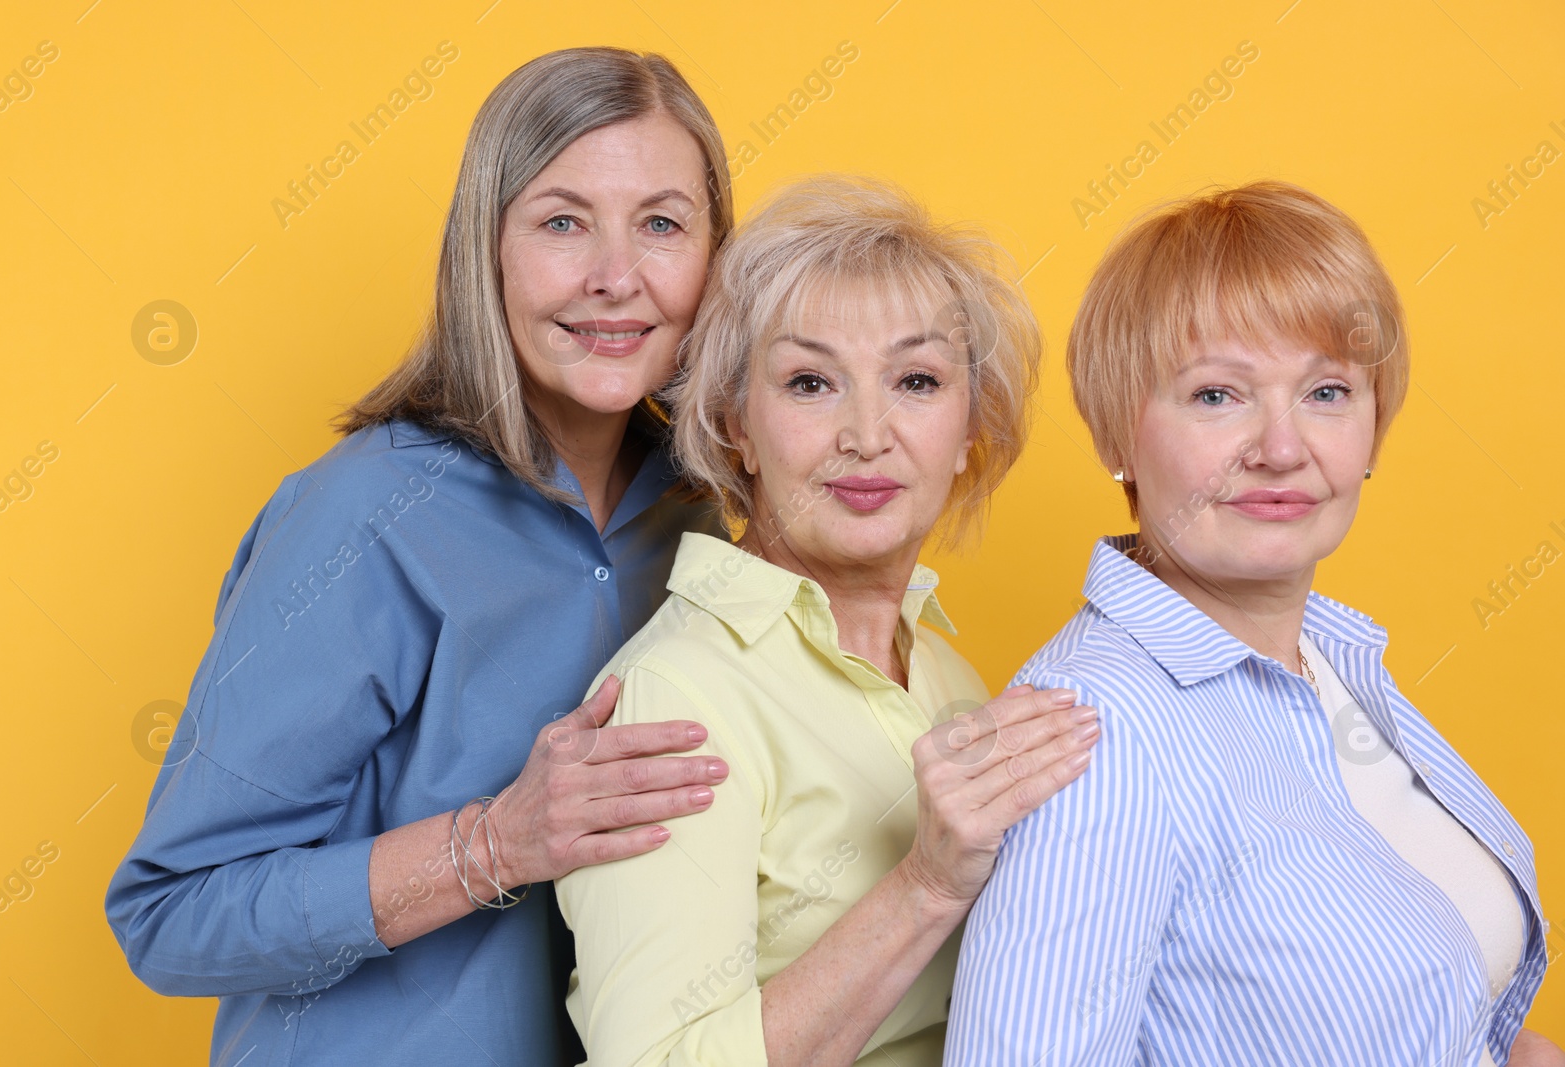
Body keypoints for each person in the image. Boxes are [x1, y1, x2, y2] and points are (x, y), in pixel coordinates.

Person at [105, 47, 741, 1066]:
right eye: (562, 221)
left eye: (662, 223)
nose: (616, 277)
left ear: (717, 256)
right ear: (482, 251)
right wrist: (494, 842)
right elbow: (173, 914)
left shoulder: (703, 516)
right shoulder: (359, 516)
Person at [944, 181, 1561, 1066]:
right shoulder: (1096, 730)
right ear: (1117, 430)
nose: (1280, 448)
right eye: (1217, 396)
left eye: (1327, 392)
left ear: (1375, 425)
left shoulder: (1330, 660)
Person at [556, 176, 1101, 1066]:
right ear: (735, 419)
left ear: (971, 424)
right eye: (811, 382)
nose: (868, 433)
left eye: (917, 380)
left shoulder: (952, 682)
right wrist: (924, 885)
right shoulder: (676, 695)